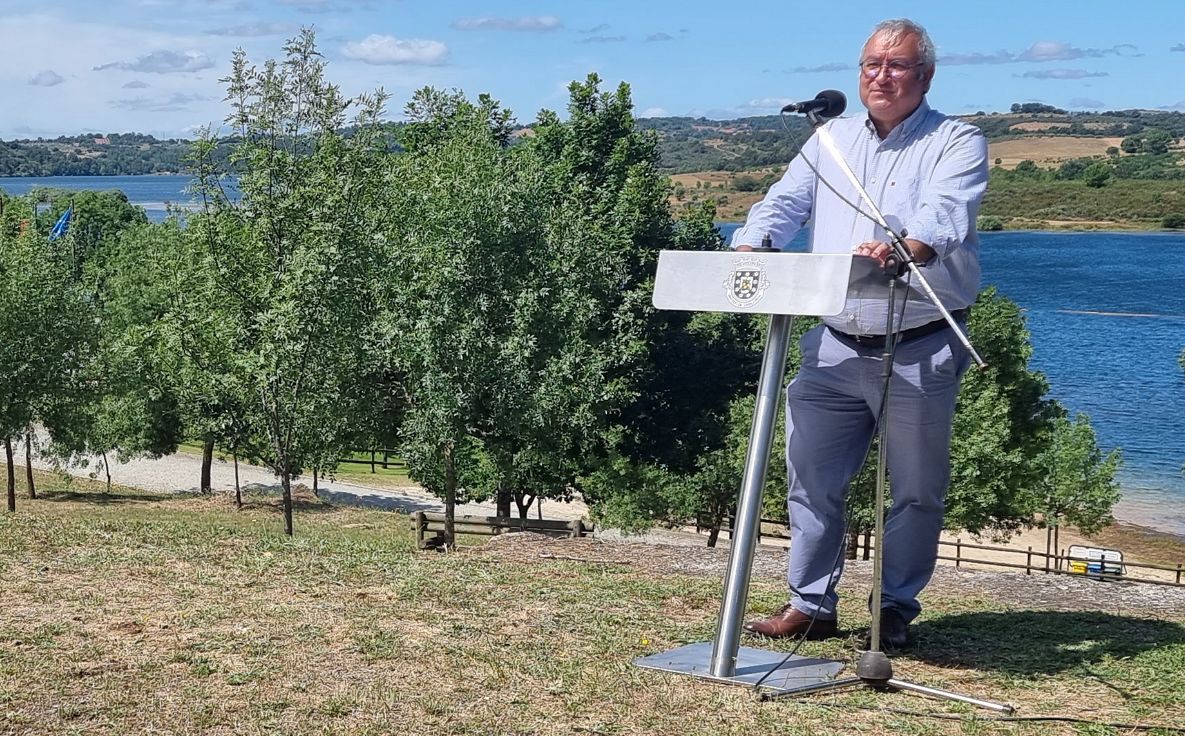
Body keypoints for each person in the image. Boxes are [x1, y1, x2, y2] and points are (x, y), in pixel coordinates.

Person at [731, 18, 988, 649]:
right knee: (811, 478)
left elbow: (945, 214)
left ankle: (894, 607)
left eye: (897, 65)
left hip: (919, 344)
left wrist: (908, 246)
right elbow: (782, 204)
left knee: (915, 491)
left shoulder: (957, 140)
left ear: (924, 76)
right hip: (833, 343)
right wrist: (751, 244)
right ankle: (812, 603)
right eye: (872, 64)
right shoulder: (830, 139)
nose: (881, 76)